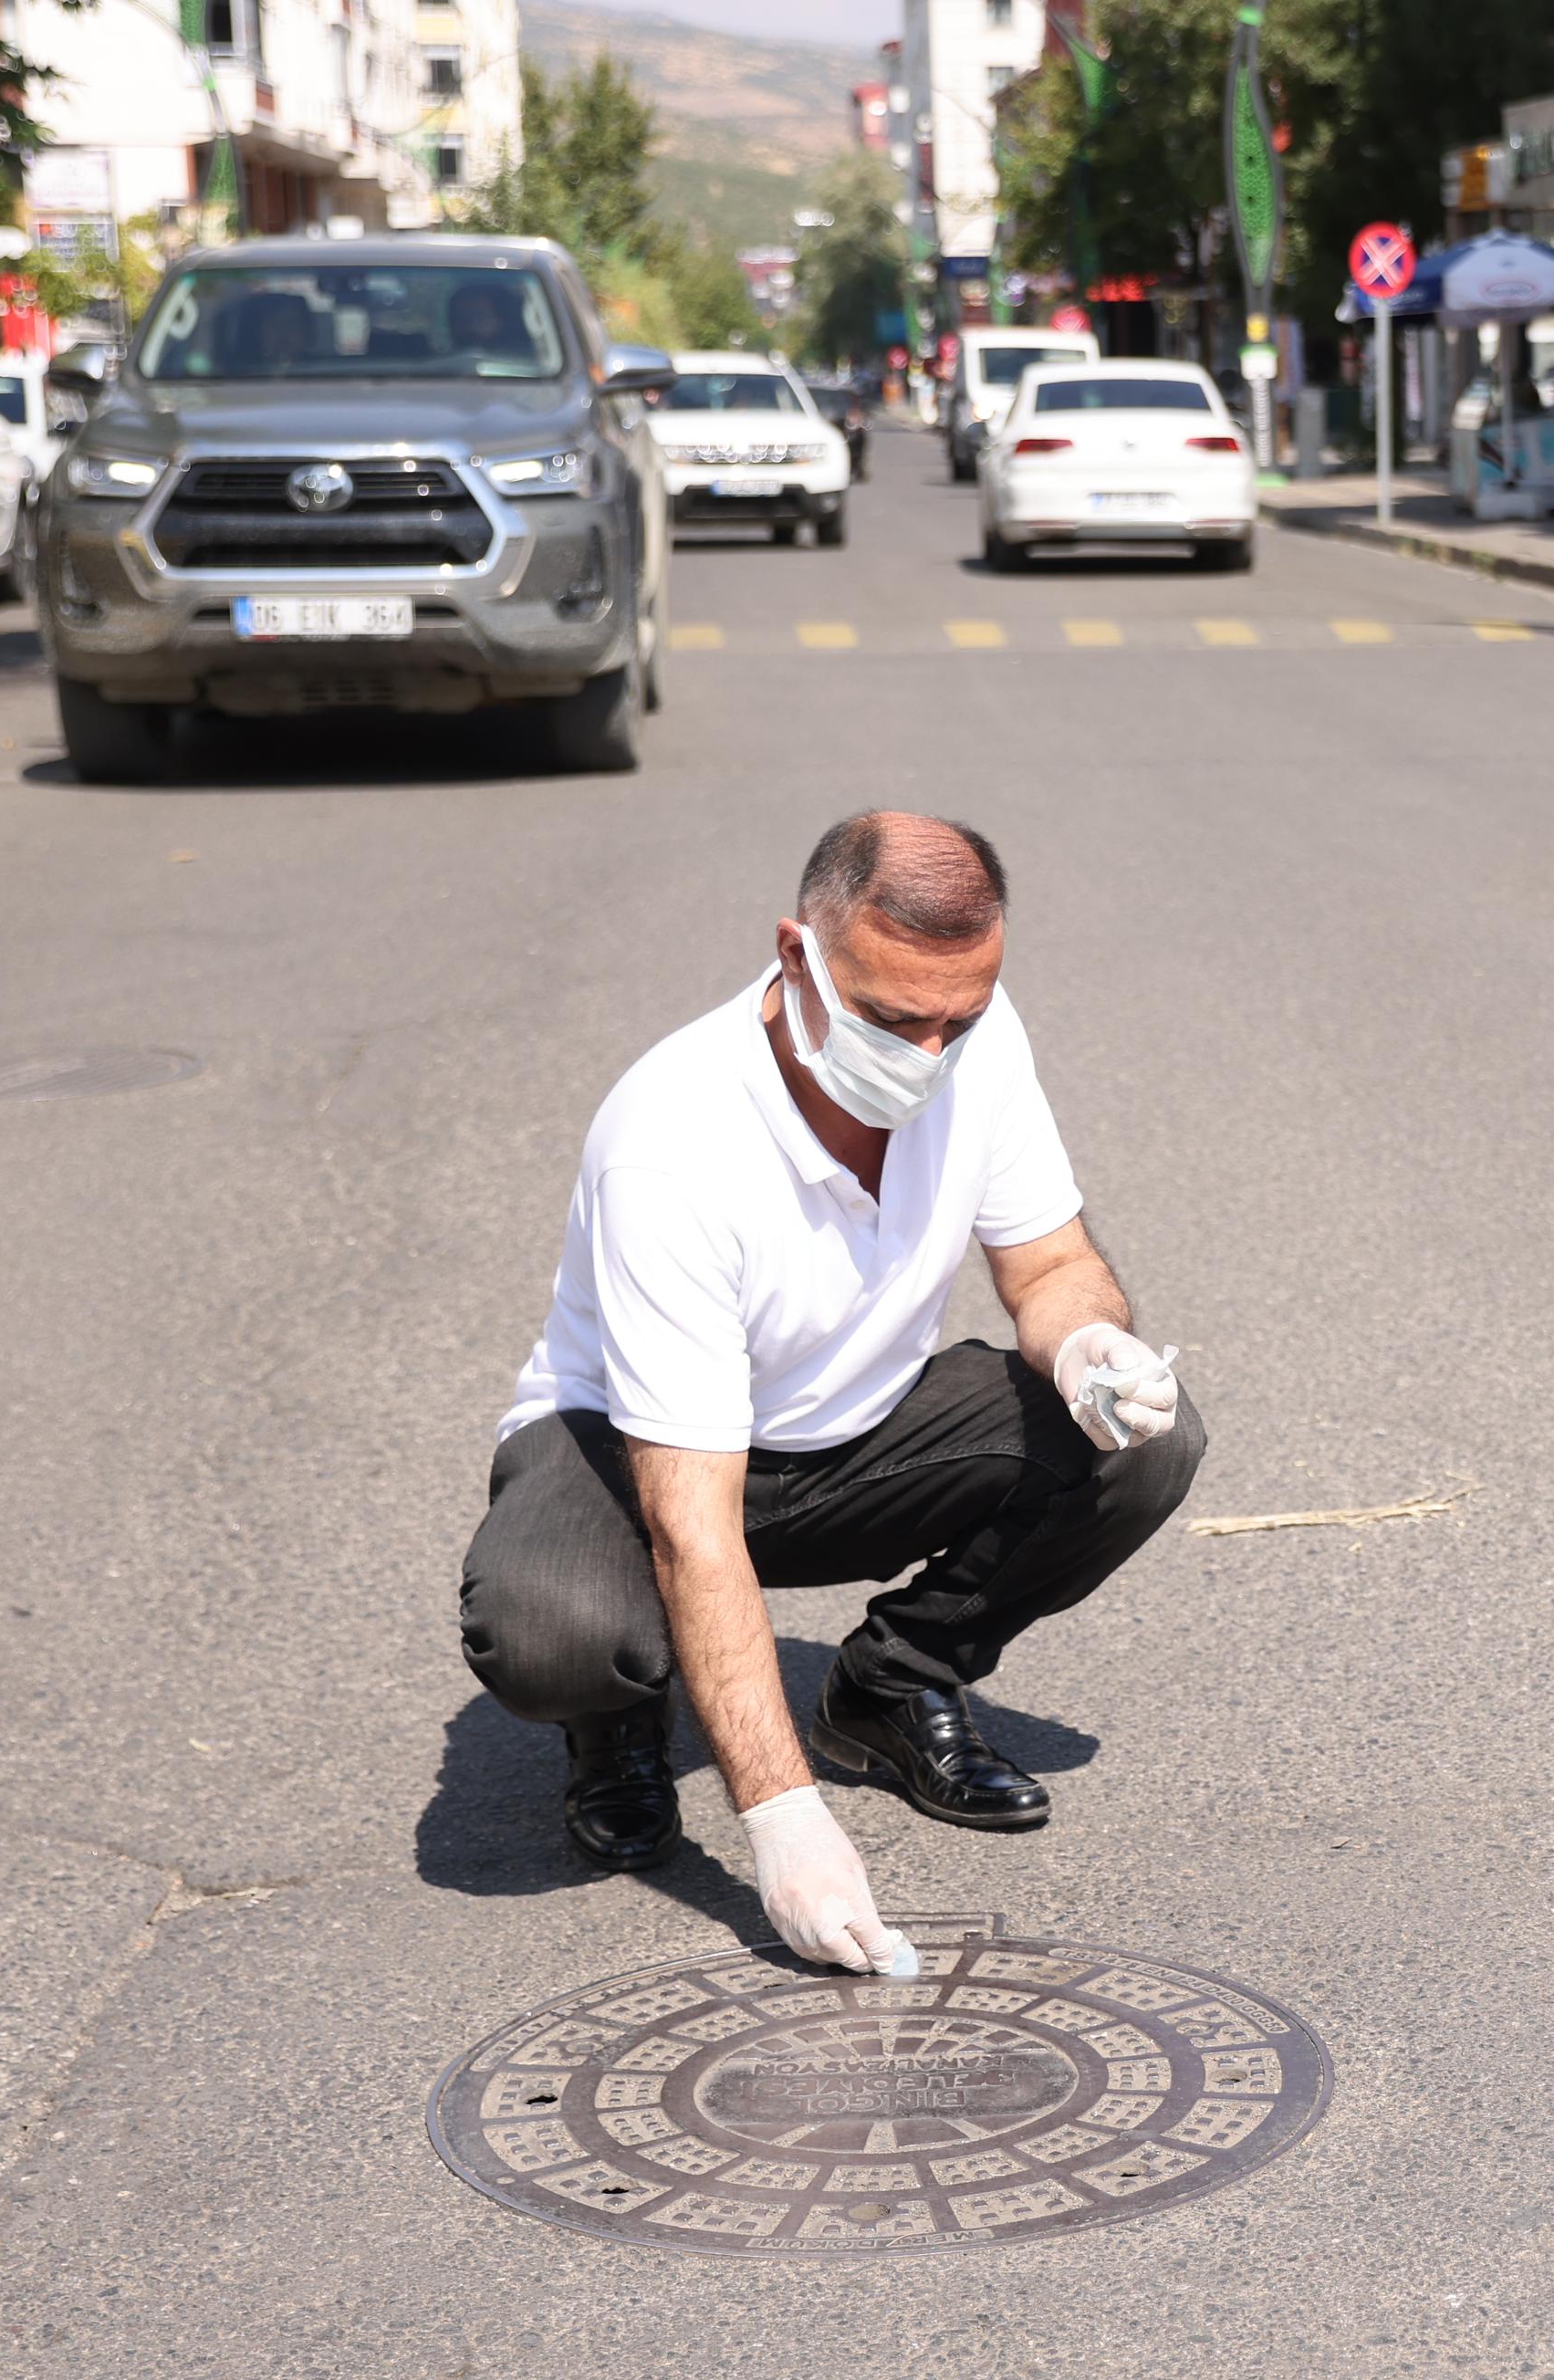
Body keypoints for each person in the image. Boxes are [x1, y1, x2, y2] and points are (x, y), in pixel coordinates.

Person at [458, 812, 1205, 1971]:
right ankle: (617, 1719)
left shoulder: (976, 1033)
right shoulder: (672, 1143)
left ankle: (887, 1687)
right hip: (636, 1453)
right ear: (796, 954)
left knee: (1144, 1442)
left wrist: (1089, 1350)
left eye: (954, 1017)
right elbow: (691, 1522)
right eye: (893, 1018)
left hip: (852, 1433)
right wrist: (780, 1819)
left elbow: (1049, 1267)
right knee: (553, 1632)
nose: (927, 1051)